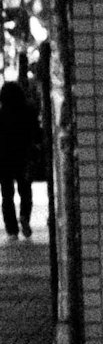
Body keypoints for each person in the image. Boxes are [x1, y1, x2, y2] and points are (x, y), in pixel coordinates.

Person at [0, 62, 39, 240]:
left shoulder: (1, 114)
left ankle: (11, 229)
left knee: (7, 194)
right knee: (25, 190)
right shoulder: (28, 111)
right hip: (23, 156)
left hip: (4, 158)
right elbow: (35, 133)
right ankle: (24, 216)